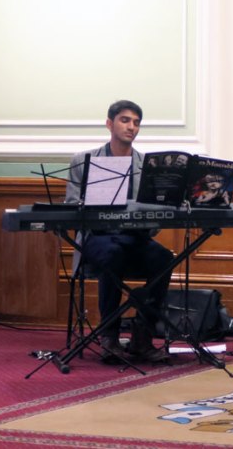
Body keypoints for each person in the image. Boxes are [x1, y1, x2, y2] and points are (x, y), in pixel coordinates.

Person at [65, 100, 173, 363]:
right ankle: (109, 336)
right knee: (112, 254)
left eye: (136, 122)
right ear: (109, 124)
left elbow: (155, 216)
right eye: (125, 120)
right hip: (98, 238)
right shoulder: (84, 161)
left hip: (135, 238)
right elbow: (71, 207)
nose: (131, 127)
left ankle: (142, 335)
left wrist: (149, 219)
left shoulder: (148, 165)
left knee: (164, 258)